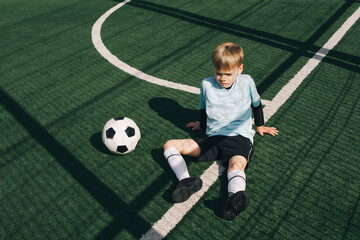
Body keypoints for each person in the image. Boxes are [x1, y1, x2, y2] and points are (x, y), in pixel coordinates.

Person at [163, 42, 278, 221]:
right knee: (170, 145)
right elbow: (203, 108)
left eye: (227, 74)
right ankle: (185, 180)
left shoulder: (247, 82)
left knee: (236, 165)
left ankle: (234, 197)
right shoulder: (206, 85)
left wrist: (260, 125)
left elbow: (257, 104)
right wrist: (201, 124)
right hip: (213, 139)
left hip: (239, 138)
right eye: (218, 73)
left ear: (239, 68)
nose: (222, 78)